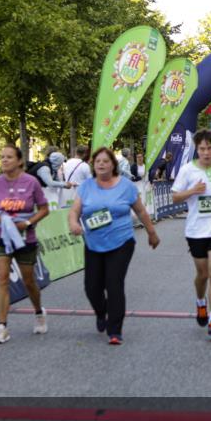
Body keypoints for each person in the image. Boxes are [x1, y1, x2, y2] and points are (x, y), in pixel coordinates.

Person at [68, 147, 159, 345]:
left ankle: (115, 329)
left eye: (105, 161)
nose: (101, 164)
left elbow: (141, 211)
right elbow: (74, 211)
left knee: (114, 283)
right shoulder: (86, 187)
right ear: (93, 165)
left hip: (121, 241)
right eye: (97, 161)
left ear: (113, 165)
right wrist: (74, 223)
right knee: (92, 287)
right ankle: (101, 312)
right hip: (94, 243)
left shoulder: (126, 186)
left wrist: (151, 233)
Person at [171, 129, 211, 339]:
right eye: (202, 149)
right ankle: (201, 302)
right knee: (202, 275)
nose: (206, 152)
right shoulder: (187, 170)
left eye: (210, 148)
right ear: (197, 149)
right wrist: (192, 191)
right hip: (196, 229)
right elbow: (175, 197)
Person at [0, 144, 50, 344]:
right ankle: (2, 327)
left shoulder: (31, 182)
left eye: (9, 157)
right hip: (0, 236)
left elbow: (44, 209)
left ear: (20, 161)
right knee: (2, 278)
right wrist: (2, 220)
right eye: (2, 157)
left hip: (24, 237)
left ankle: (38, 312)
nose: (4, 160)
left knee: (28, 281)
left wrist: (27, 223)